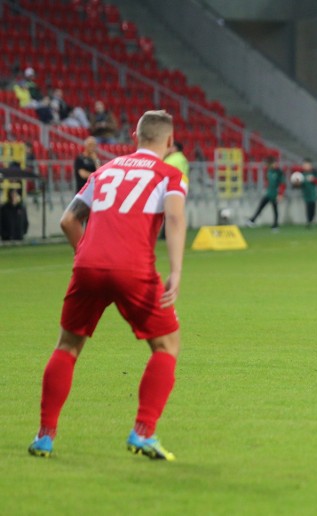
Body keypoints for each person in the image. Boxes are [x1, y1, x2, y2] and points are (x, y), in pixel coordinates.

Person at [28, 109, 188, 461]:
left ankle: (44, 436)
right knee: (167, 345)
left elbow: (68, 220)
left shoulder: (104, 170)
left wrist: (87, 257)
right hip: (134, 268)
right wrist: (176, 270)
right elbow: (175, 217)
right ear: (169, 142)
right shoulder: (170, 175)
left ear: (134, 136)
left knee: (68, 345)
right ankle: (143, 431)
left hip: (87, 265)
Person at [247, 156, 285, 230]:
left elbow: (282, 184)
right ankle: (252, 220)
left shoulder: (279, 172)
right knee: (260, 207)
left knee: (275, 210)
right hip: (269, 193)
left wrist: (280, 194)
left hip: (275, 194)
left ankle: (275, 225)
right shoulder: (269, 171)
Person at [296, 158, 317, 228]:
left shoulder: (314, 173)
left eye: (307, 165)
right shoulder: (302, 174)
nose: (305, 166)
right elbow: (298, 185)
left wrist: (313, 180)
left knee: (313, 206)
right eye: (304, 165)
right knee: (308, 207)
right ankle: (309, 221)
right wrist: (298, 183)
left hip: (313, 193)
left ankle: (311, 220)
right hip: (306, 194)